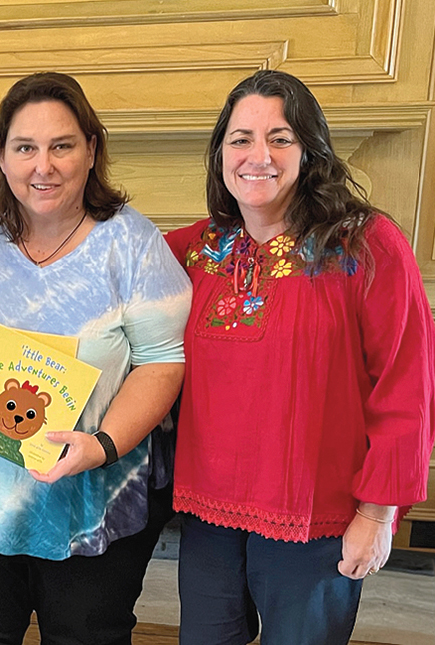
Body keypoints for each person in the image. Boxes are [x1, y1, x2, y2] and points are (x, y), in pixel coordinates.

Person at [0, 71, 191, 644]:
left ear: (91, 150)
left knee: (87, 635)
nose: (44, 165)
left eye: (62, 145)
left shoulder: (133, 242)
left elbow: (163, 360)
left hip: (93, 498)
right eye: (25, 148)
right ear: (2, 156)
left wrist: (103, 444)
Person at [164, 69, 435, 645]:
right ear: (220, 156)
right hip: (208, 514)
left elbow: (407, 388)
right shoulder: (194, 249)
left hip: (317, 518)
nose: (257, 155)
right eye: (240, 139)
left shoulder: (366, 245)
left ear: (310, 151)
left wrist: (378, 514)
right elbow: (101, 276)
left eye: (280, 138)